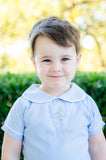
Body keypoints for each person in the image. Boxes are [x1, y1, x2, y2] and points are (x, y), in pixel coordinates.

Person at [1, 16, 106, 160]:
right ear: (34, 63)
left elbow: (99, 148)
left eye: (64, 59)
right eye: (46, 60)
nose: (56, 68)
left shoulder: (86, 103)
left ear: (77, 60)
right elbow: (10, 153)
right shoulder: (24, 105)